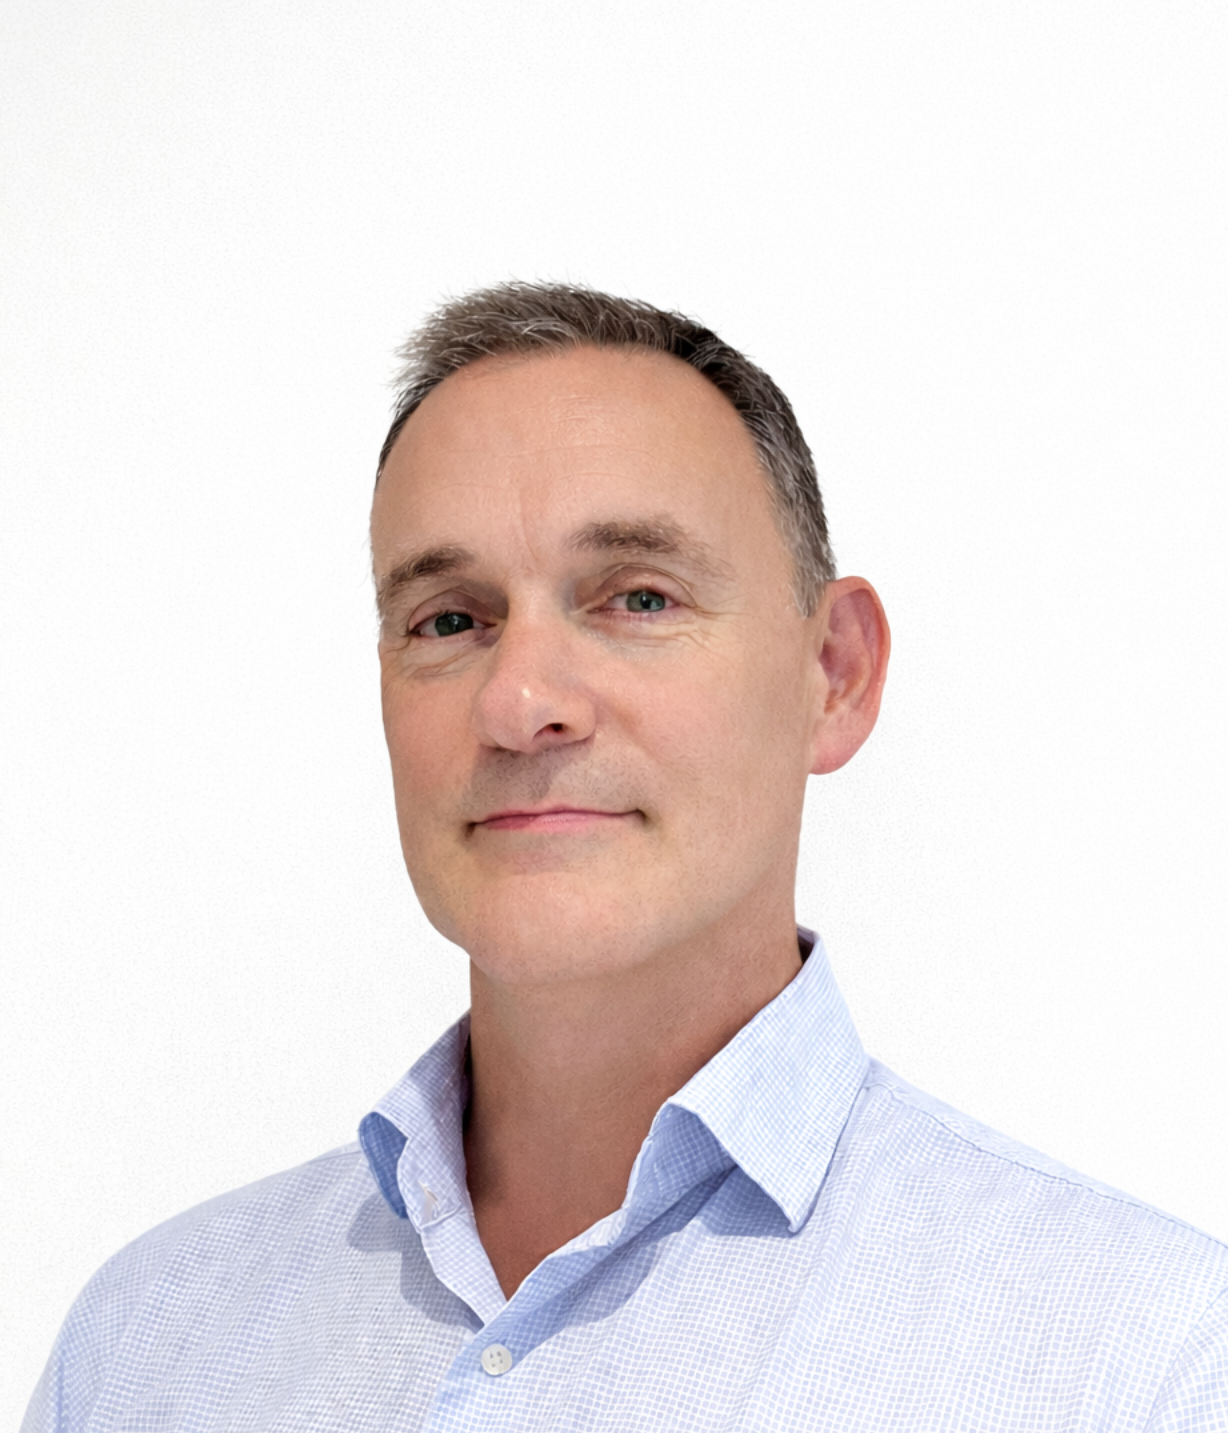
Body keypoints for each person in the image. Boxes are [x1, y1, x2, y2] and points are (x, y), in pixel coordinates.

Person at [24, 282, 1227, 1432]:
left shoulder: (1146, 1364)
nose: (522, 698)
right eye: (449, 618)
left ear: (834, 673)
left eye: (637, 597)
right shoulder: (146, 1351)